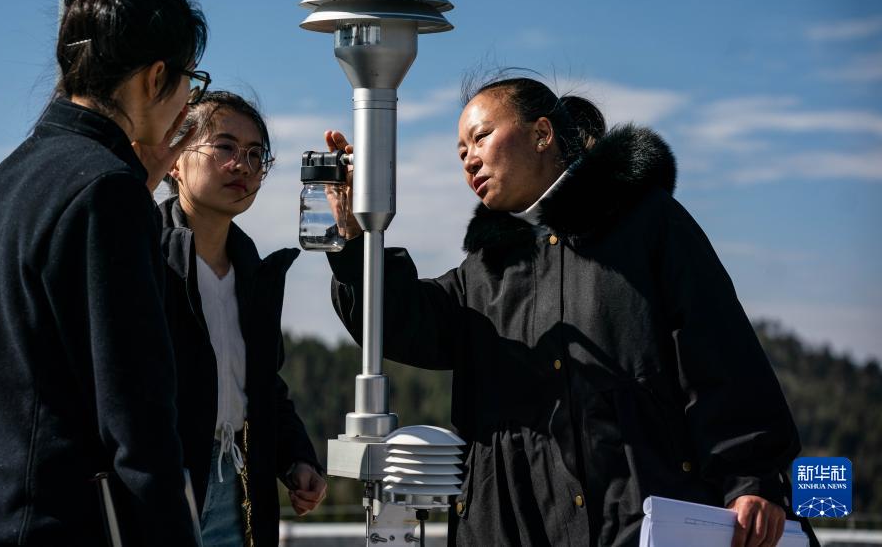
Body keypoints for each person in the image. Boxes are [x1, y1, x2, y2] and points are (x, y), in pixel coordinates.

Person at [323, 75, 815, 547]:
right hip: (510, 525)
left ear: (542, 134)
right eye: (461, 152)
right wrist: (353, 236)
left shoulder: (646, 225)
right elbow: (400, 319)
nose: (469, 159)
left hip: (639, 519)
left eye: (481, 137)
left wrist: (750, 477)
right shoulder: (485, 270)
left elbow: (717, 345)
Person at [0, 0, 209, 546]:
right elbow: (135, 405)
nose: (188, 101)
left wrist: (132, 184)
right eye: (190, 80)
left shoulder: (20, 167)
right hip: (62, 523)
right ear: (156, 77)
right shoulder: (105, 190)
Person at [161, 91, 327, 546]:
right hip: (163, 489)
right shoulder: (143, 257)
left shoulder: (254, 273)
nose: (243, 165)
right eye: (225, 147)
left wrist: (296, 458)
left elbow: (263, 386)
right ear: (175, 160)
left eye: (256, 155)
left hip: (238, 488)